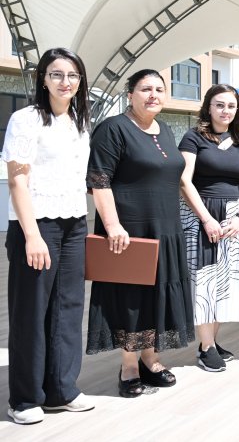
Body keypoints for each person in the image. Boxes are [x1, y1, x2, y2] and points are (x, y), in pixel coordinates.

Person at [85, 69, 195, 398]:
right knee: (131, 297)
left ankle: (150, 358)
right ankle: (129, 366)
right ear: (130, 93)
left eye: (159, 89)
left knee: (157, 294)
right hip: (129, 230)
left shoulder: (166, 130)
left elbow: (178, 179)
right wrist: (112, 224)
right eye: (146, 89)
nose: (153, 95)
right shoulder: (113, 128)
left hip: (166, 228)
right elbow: (99, 180)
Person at [4, 48, 94, 425]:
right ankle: (24, 398)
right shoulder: (26, 120)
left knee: (68, 309)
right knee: (31, 312)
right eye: (56, 74)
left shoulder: (79, 121)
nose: (64, 81)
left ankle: (61, 389)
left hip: (74, 223)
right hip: (36, 224)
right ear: (43, 79)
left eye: (72, 75)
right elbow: (17, 181)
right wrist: (31, 235)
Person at [179, 84, 239, 372]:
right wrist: (206, 219)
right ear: (208, 108)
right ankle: (206, 347)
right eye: (220, 105)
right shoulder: (193, 137)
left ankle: (210, 341)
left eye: (231, 106)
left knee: (226, 282)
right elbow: (184, 181)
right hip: (201, 213)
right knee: (204, 281)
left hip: (233, 217)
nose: (226, 110)